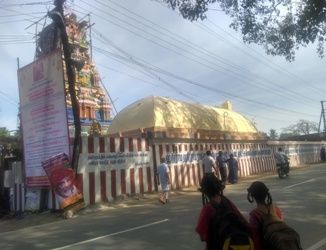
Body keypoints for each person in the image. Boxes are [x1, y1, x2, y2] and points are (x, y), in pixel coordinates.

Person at [196, 174, 252, 250]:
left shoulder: (207, 208)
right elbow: (241, 219)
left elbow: (202, 236)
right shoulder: (227, 201)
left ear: (205, 192)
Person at [247, 181, 283, 250]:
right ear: (266, 194)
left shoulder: (254, 215)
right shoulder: (276, 209)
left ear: (252, 196)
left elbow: (256, 239)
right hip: (279, 245)